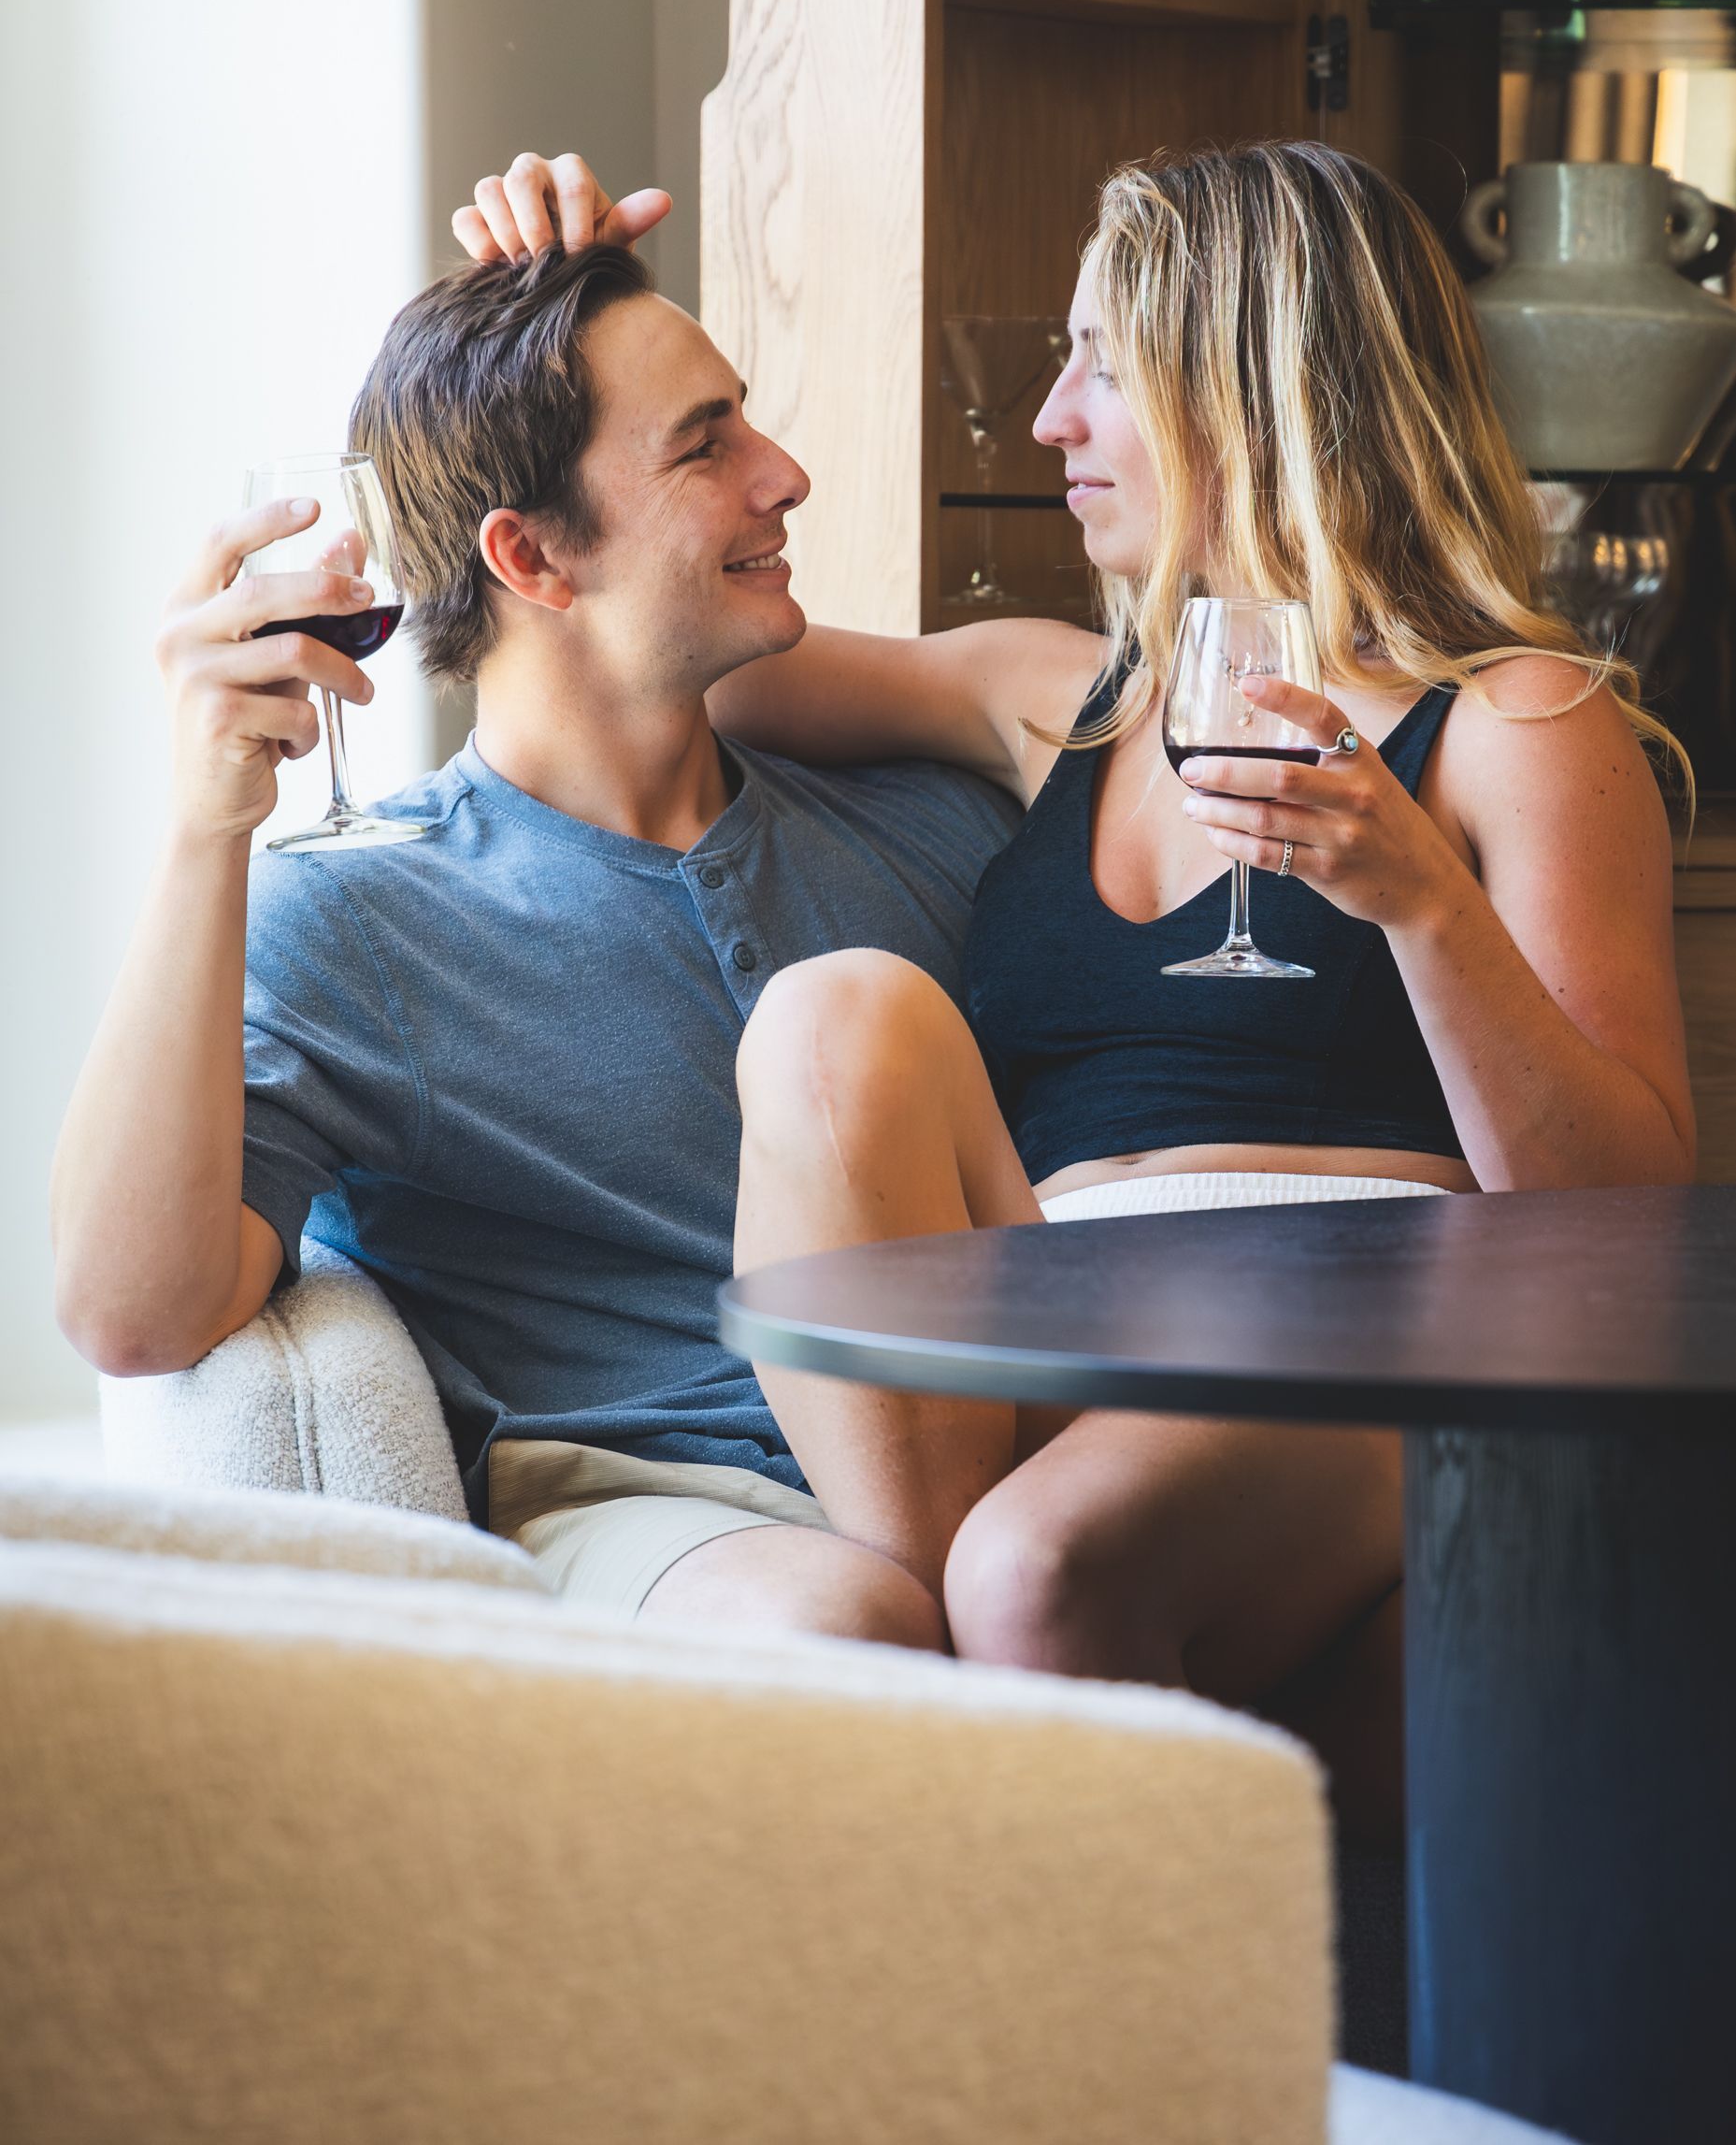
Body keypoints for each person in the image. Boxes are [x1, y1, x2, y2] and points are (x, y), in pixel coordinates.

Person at [457, 141, 1696, 1835]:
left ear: (1256, 391)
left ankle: (1035, 1931)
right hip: (1057, 1329)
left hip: (1367, 1333)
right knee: (834, 1012)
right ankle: (964, 1786)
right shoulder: (1056, 700)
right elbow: (670, 640)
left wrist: (1417, 904)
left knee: (1037, 1562)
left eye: (1101, 366)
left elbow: (1625, 1210)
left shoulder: (1519, 724)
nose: (1050, 420)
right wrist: (558, 331)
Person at [50, 201, 1019, 1654]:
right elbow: (134, 1314)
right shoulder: (363, 917)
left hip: (987, 1478)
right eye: (705, 447)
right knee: (840, 1619)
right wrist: (206, 827)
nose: (786, 475)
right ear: (531, 558)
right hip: (653, 1510)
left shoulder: (920, 830)